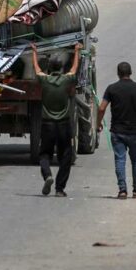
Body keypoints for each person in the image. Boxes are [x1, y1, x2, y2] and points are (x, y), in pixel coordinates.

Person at [31, 43, 81, 197]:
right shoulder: (66, 80)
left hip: (47, 125)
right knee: (66, 155)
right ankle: (59, 189)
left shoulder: (45, 81)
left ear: (49, 69)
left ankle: (48, 175)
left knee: (45, 153)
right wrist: (77, 51)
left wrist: (34, 52)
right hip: (64, 125)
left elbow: (36, 69)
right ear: (60, 69)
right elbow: (74, 68)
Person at [97, 62, 136, 199]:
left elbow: (101, 108)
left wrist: (98, 123)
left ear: (118, 73)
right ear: (130, 72)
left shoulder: (111, 89)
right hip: (135, 132)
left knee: (120, 160)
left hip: (117, 132)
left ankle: (122, 190)